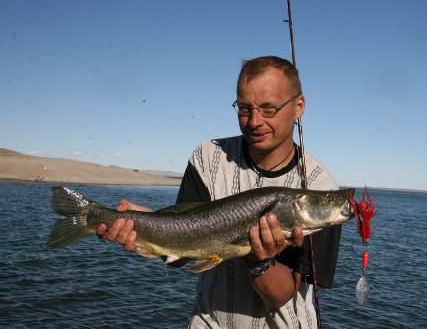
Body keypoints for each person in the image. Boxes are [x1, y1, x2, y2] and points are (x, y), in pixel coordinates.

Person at [97, 56, 342, 328]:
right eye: (244, 109)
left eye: (268, 109)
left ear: (299, 107)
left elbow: (281, 296)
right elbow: (184, 252)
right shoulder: (206, 157)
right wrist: (147, 228)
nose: (254, 121)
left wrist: (257, 256)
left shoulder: (321, 191)